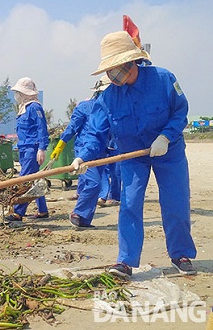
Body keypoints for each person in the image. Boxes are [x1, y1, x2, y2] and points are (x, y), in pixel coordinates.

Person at [71, 31, 197, 277]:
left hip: (168, 150)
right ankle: (126, 261)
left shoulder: (163, 79)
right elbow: (97, 132)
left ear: (131, 63)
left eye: (116, 68)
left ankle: (180, 254)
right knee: (129, 203)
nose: (112, 74)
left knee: (175, 202)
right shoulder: (107, 97)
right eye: (109, 70)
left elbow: (181, 111)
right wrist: (83, 157)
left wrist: (166, 136)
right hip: (131, 155)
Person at [50, 76, 111, 227]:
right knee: (94, 183)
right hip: (84, 151)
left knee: (87, 184)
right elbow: (72, 127)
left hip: (102, 151)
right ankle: (78, 213)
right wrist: (60, 145)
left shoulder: (112, 108)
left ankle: (83, 220)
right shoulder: (85, 107)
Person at [5, 77, 49, 222]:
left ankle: (18, 212)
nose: (16, 96)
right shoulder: (24, 108)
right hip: (24, 148)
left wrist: (42, 148)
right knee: (34, 179)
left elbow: (42, 129)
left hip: (32, 148)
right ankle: (42, 210)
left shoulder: (34, 107)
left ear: (25, 93)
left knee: (25, 180)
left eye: (19, 92)